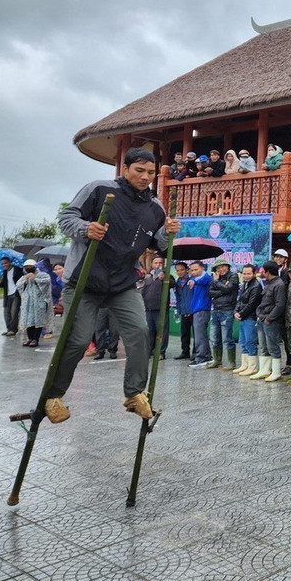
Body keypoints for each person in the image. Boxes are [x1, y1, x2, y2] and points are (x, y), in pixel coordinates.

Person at [44, 148, 180, 424]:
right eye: (139, 171)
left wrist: (169, 233)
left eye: (150, 172)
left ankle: (133, 393)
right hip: (84, 280)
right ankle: (53, 396)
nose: (145, 177)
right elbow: (67, 218)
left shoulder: (155, 206)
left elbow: (159, 246)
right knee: (79, 340)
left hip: (121, 283)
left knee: (141, 332)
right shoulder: (99, 189)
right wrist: (86, 228)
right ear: (125, 169)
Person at [247, 261, 281, 380]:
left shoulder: (279, 284)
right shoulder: (268, 283)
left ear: (268, 271)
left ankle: (276, 372)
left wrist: (269, 318)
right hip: (261, 318)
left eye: (263, 270)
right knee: (263, 346)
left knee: (273, 346)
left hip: (270, 321)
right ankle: (264, 370)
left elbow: (280, 305)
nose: (261, 272)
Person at [230, 263, 264, 378]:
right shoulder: (245, 284)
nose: (246, 276)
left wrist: (240, 313)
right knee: (243, 341)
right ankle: (245, 365)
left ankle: (252, 367)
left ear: (254, 274)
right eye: (244, 273)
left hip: (251, 317)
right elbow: (240, 300)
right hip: (243, 317)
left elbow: (252, 304)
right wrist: (236, 311)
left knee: (250, 342)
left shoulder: (256, 286)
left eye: (249, 273)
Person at [207, 258, 239, 369]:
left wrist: (217, 284)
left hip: (228, 309)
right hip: (215, 310)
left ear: (227, 266)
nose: (220, 269)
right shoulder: (216, 278)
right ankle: (217, 360)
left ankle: (231, 362)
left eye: (222, 266)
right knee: (214, 337)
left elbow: (229, 288)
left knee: (227, 338)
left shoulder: (233, 276)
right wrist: (222, 291)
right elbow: (210, 292)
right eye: (218, 268)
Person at [17, 259, 52, 347]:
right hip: (28, 302)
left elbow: (47, 282)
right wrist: (25, 281)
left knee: (38, 320)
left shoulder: (43, 275)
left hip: (39, 302)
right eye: (26, 267)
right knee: (28, 320)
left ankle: (35, 339)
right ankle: (29, 338)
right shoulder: (24, 276)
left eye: (30, 266)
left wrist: (35, 279)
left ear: (35, 266)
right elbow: (18, 285)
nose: (28, 268)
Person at [187, 261, 213, 368]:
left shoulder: (206, 277)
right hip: (196, 309)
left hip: (202, 308)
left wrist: (194, 281)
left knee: (199, 336)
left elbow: (204, 280)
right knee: (201, 335)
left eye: (196, 270)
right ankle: (207, 356)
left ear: (202, 268)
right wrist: (193, 279)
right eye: (191, 270)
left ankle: (200, 358)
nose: (193, 272)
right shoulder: (195, 279)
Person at [0, 256, 24, 336]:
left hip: (16, 294)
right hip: (7, 294)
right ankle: (9, 329)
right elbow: (4, 284)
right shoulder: (4, 272)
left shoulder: (17, 269)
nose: (4, 265)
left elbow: (22, 281)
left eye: (5, 263)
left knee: (14, 312)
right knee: (6, 313)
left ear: (10, 262)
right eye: (2, 264)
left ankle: (13, 330)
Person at [172, 261, 194, 360]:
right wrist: (179, 310)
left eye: (182, 270)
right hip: (183, 311)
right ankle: (185, 352)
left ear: (187, 270)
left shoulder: (192, 281)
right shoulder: (177, 283)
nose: (180, 272)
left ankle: (195, 353)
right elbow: (178, 298)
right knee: (184, 333)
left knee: (196, 333)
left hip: (193, 311)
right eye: (177, 270)